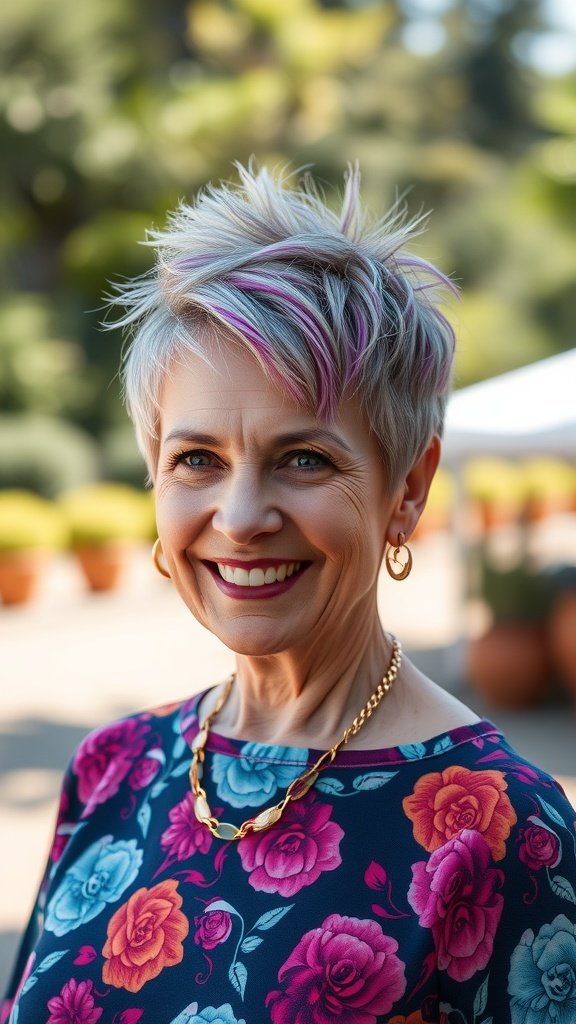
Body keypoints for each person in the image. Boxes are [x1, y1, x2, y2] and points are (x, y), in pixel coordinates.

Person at [3, 165, 576, 1024]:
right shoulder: (112, 767)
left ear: (408, 490)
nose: (239, 518)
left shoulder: (499, 832)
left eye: (304, 458)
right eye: (196, 459)